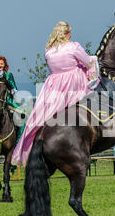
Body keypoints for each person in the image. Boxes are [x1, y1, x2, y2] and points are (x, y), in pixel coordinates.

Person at [11, 21, 99, 166]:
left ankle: (28, 147)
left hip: (53, 85)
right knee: (92, 99)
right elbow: (88, 62)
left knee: (41, 116)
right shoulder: (73, 46)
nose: (71, 35)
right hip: (74, 82)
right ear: (66, 34)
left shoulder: (48, 51)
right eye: (70, 32)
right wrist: (93, 60)